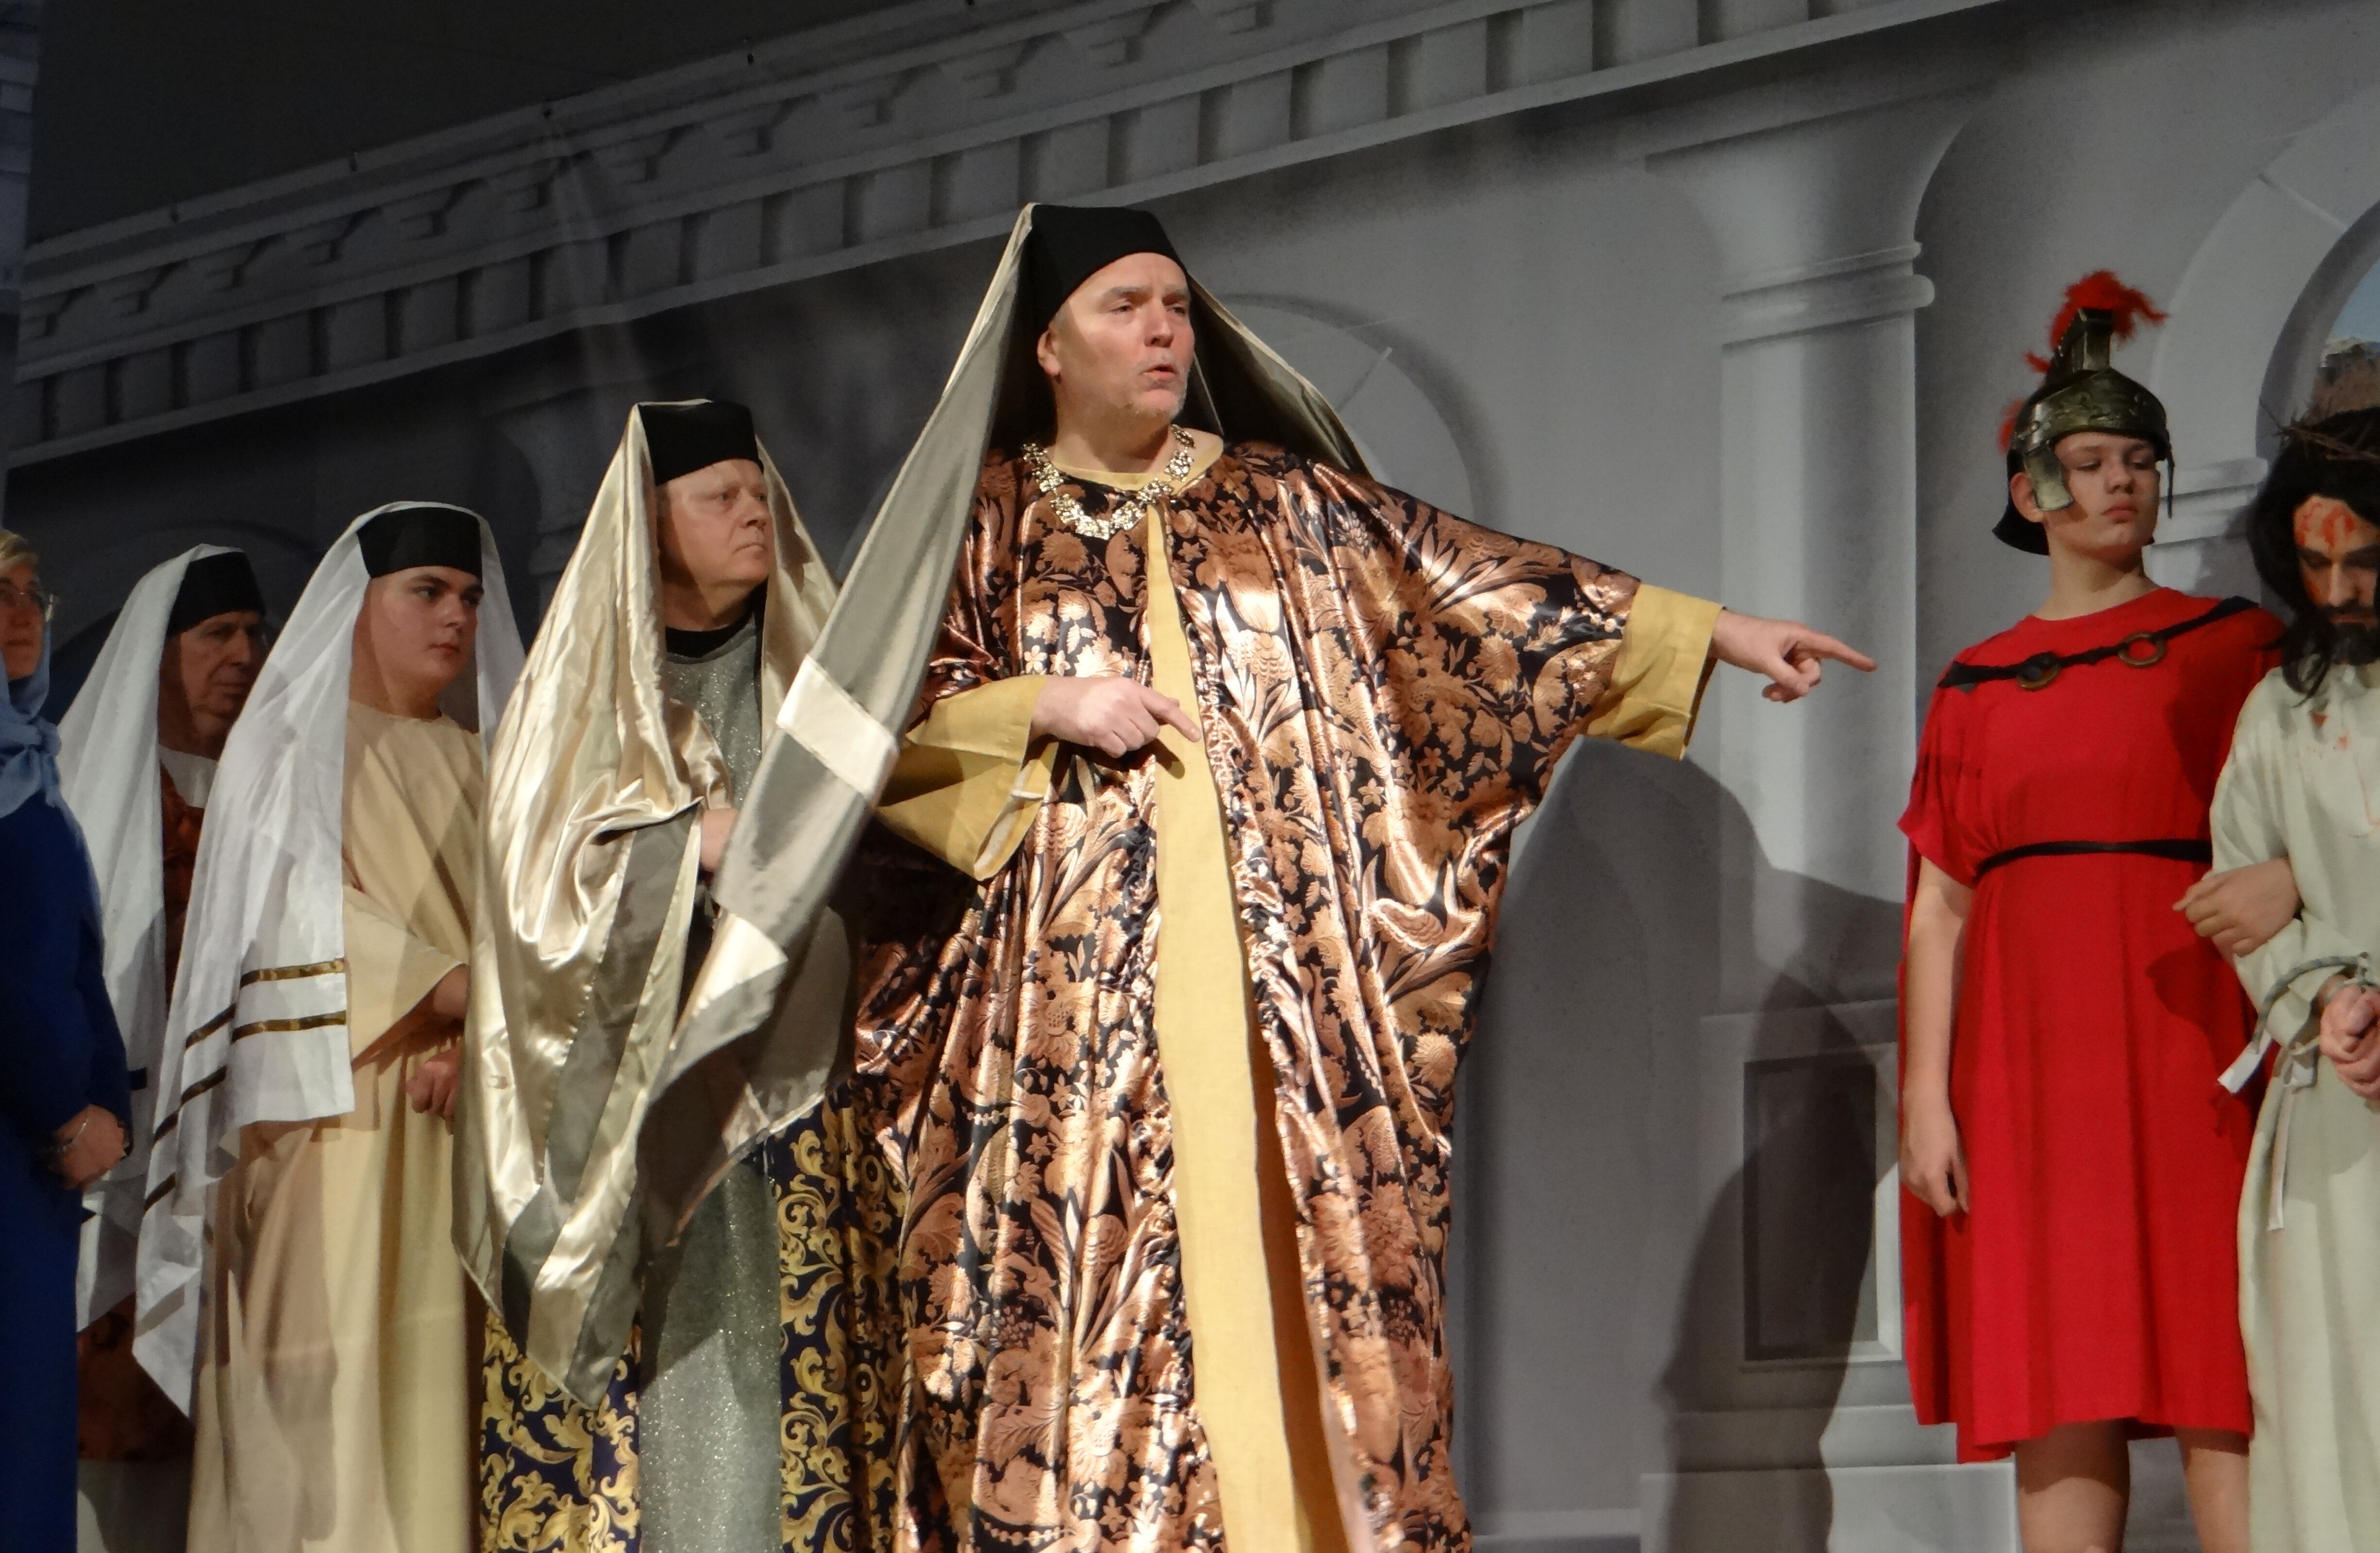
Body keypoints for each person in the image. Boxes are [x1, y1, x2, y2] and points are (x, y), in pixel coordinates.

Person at [705, 202, 1871, 1551]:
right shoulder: (987, 522)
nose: (1162, 331)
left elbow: (1473, 595)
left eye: (1175, 306)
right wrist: (1042, 705)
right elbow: (876, 733)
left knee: (1296, 1253)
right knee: (1101, 1278)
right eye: (1124, 307)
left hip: (1279, 984)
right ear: (1048, 348)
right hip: (1073, 1012)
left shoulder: (1282, 503)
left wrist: (1711, 634)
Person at [1898, 274, 2279, 1553]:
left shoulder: (2231, 646)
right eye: (2093, 462)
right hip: (2026, 1064)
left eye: (2141, 462)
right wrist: (1927, 1100)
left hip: (2192, 1035)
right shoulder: (1977, 685)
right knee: (2058, 1364)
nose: (2125, 482)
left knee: (2225, 1361)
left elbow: (2303, 821)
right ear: (2033, 493)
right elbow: (1941, 909)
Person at [462, 400, 837, 1553]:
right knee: (677, 1392)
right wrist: (686, 844)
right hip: (643, 1112)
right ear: (650, 522)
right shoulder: (582, 702)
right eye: (718, 496)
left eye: (759, 490)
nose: (752, 512)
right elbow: (535, 893)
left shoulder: (816, 678)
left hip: (808, 1096)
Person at [136, 504, 523, 1552]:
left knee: (444, 1419)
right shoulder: (287, 754)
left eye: (469, 597)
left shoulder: (490, 762)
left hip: (466, 1112)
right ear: (357, 605)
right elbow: (292, 923)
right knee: (333, 1424)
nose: (455, 617)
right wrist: (463, 995)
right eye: (426, 592)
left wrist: (480, 1035)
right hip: (335, 1119)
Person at [2179, 340, 2380, 1552]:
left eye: (2365, 559)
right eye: (2315, 562)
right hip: (2337, 1105)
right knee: (2332, 1379)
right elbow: (2237, 894)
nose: (2339, 590)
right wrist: (2324, 1001)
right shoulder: (2282, 708)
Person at [60, 543, 267, 1463]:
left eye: (253, 633)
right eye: (216, 633)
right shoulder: (93, 797)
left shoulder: (276, 794)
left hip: (245, 1147)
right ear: (159, 650)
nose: (243, 656)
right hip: (125, 1141)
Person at [0, 527, 133, 1551]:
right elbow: (18, 973)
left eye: (29, 594)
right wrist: (66, 1111)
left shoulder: (28, 769)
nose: (20, 616)